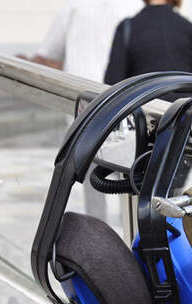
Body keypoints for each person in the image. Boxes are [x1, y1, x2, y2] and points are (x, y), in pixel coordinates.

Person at [37, 0, 137, 221]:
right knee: (130, 178)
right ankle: (131, 234)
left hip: (83, 104)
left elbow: (49, 51)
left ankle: (99, 235)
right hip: (124, 100)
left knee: (91, 178)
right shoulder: (133, 6)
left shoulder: (73, 5)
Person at [103, 0, 192, 84]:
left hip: (144, 109)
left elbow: (112, 82)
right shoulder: (189, 28)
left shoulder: (128, 28)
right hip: (183, 110)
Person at [36, 0, 136, 83]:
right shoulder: (137, 6)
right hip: (117, 92)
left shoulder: (75, 4)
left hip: (77, 87)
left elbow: (51, 52)